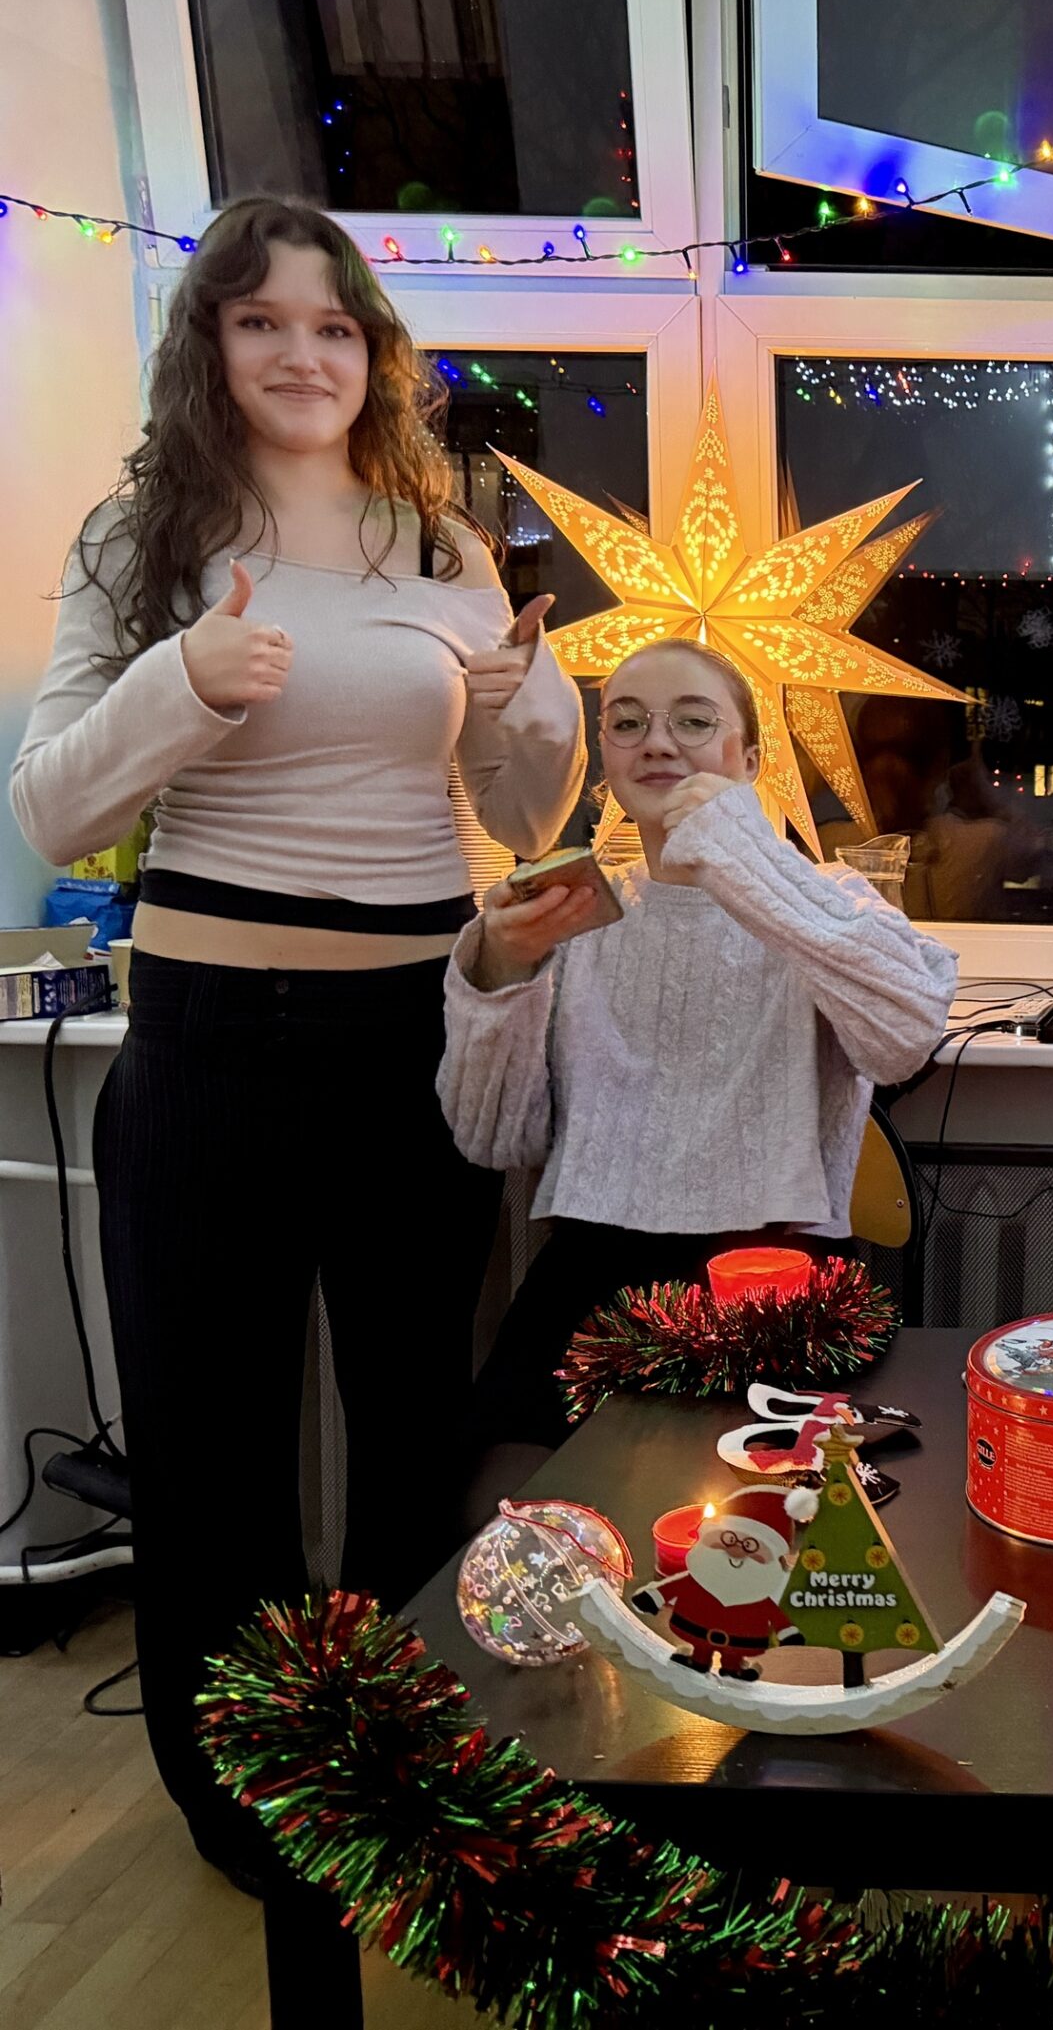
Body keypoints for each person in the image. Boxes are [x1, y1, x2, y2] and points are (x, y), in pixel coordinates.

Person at [7, 196, 585, 1886]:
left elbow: (519, 812)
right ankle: (243, 1804)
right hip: (207, 1041)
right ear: (210, 342)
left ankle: (403, 1770)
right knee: (212, 1452)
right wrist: (186, 677)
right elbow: (51, 811)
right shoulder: (142, 532)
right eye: (260, 319)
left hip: (415, 1038)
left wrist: (528, 713)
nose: (301, 353)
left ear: (372, 352)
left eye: (332, 324)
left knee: (415, 1432)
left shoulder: (441, 545)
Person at [441, 638, 959, 1509]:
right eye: (628, 723)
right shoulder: (575, 915)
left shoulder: (826, 895)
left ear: (749, 761)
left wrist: (745, 855)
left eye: (693, 720)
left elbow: (904, 1035)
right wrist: (502, 969)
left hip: (780, 1282)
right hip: (594, 1275)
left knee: (759, 1525)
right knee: (503, 1514)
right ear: (606, 763)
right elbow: (495, 1137)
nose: (657, 741)